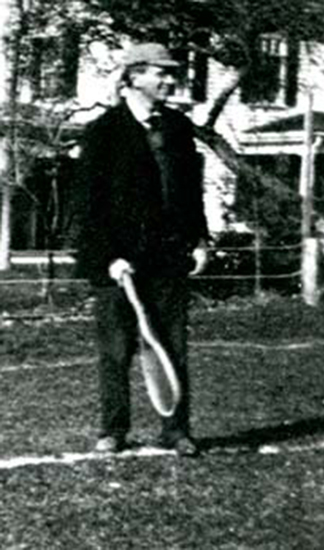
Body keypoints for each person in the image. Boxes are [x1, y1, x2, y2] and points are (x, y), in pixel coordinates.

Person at [75, 43, 209, 456]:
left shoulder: (178, 128)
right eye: (160, 72)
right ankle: (113, 430)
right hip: (118, 263)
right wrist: (108, 256)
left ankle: (176, 430)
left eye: (172, 72)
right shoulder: (102, 132)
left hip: (168, 258)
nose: (170, 79)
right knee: (116, 351)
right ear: (133, 76)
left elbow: (190, 192)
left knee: (174, 348)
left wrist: (200, 239)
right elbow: (86, 205)